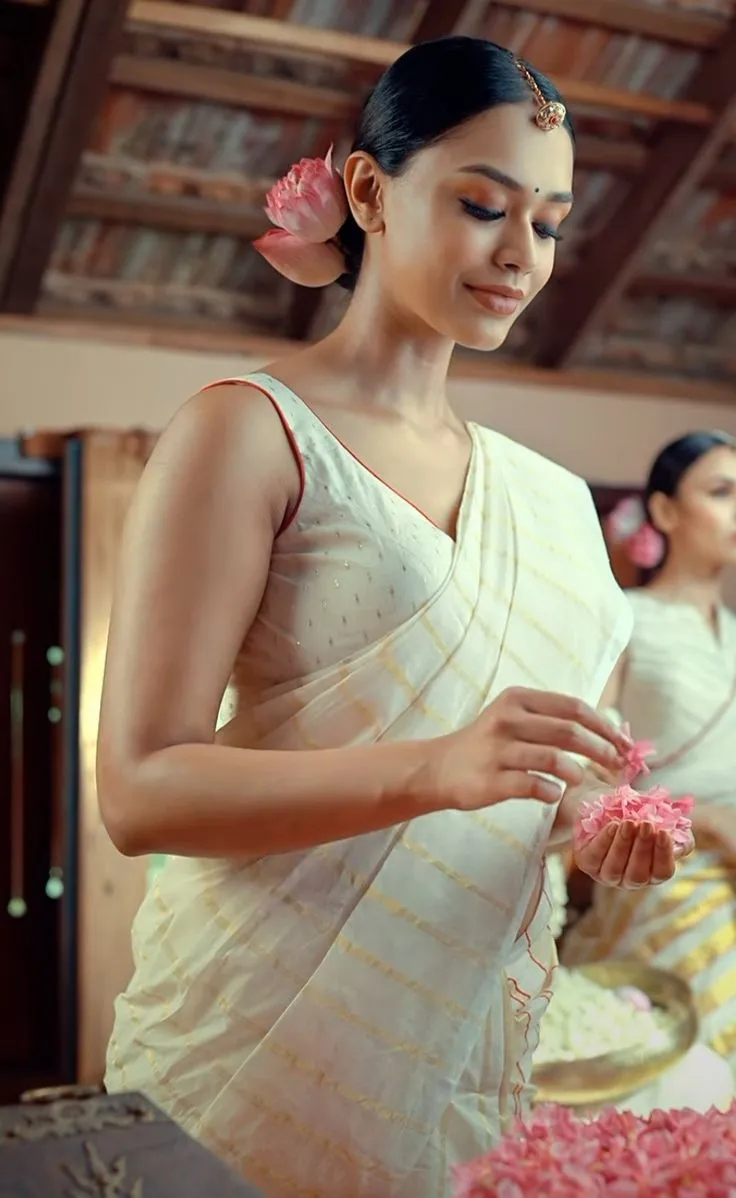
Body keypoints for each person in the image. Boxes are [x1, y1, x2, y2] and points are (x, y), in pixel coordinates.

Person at [98, 38, 685, 1198]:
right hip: (253, 1042)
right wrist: (434, 767)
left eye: (552, 223)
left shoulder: (555, 503)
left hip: (453, 1056)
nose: (522, 255)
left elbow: (561, 777)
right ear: (367, 190)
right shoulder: (250, 431)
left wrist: (601, 822)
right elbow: (139, 789)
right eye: (482, 205)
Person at [563, 430, 736, 1075]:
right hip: (671, 856)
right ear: (664, 511)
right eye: (721, 492)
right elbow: (589, 766)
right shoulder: (624, 617)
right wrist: (711, 822)